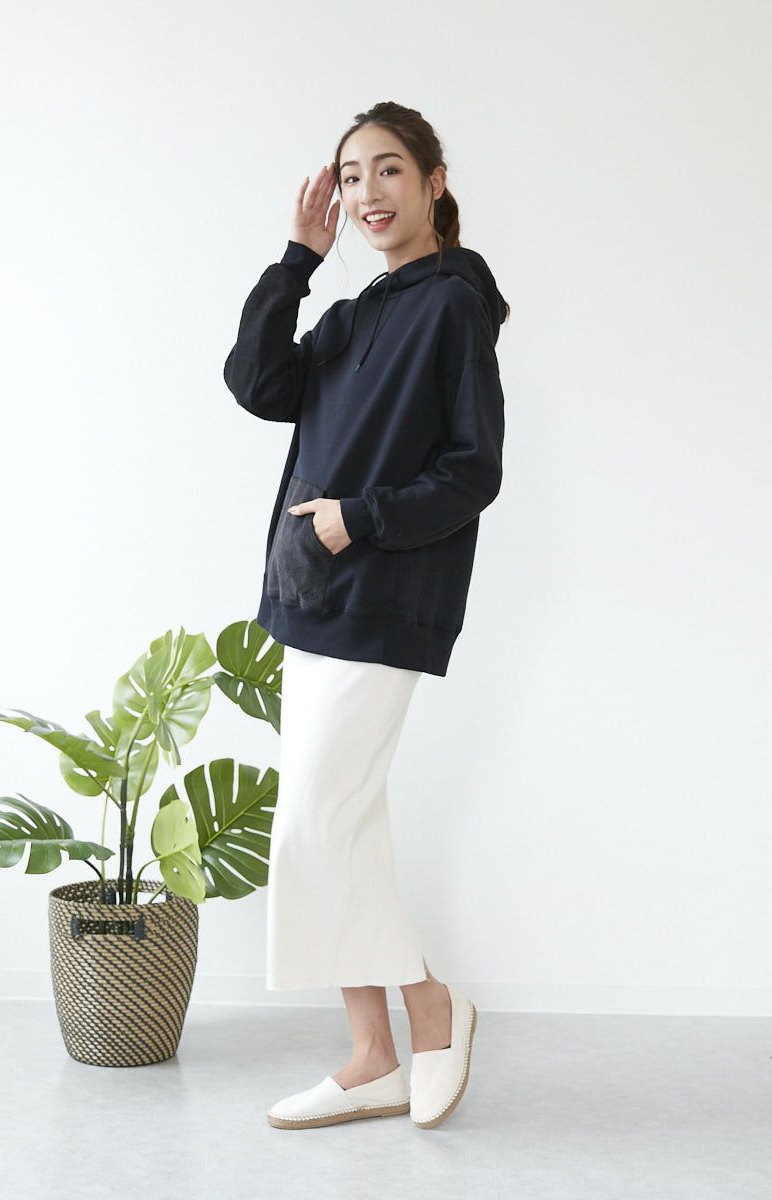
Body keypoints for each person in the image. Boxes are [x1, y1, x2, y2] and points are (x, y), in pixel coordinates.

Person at [223, 101, 509, 1130]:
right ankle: (373, 1057)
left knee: (317, 821)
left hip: (384, 598)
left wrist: (360, 520)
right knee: (341, 825)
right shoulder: (352, 313)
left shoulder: (453, 306)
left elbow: (473, 471)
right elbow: (257, 383)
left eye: (388, 170)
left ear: (434, 181)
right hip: (312, 594)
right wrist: (298, 261)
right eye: (351, 177)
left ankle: (430, 1008)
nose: (367, 193)